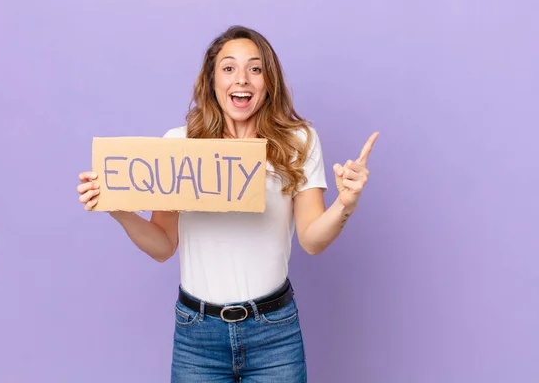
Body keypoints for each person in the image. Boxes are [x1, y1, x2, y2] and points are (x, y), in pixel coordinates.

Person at [77, 25, 378, 382]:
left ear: (269, 81)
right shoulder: (181, 144)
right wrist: (115, 206)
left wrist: (345, 204)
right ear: (212, 80)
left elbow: (312, 240)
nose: (243, 79)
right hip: (197, 335)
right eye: (229, 68)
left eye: (255, 68)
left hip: (274, 333)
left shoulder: (298, 141)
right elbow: (162, 245)